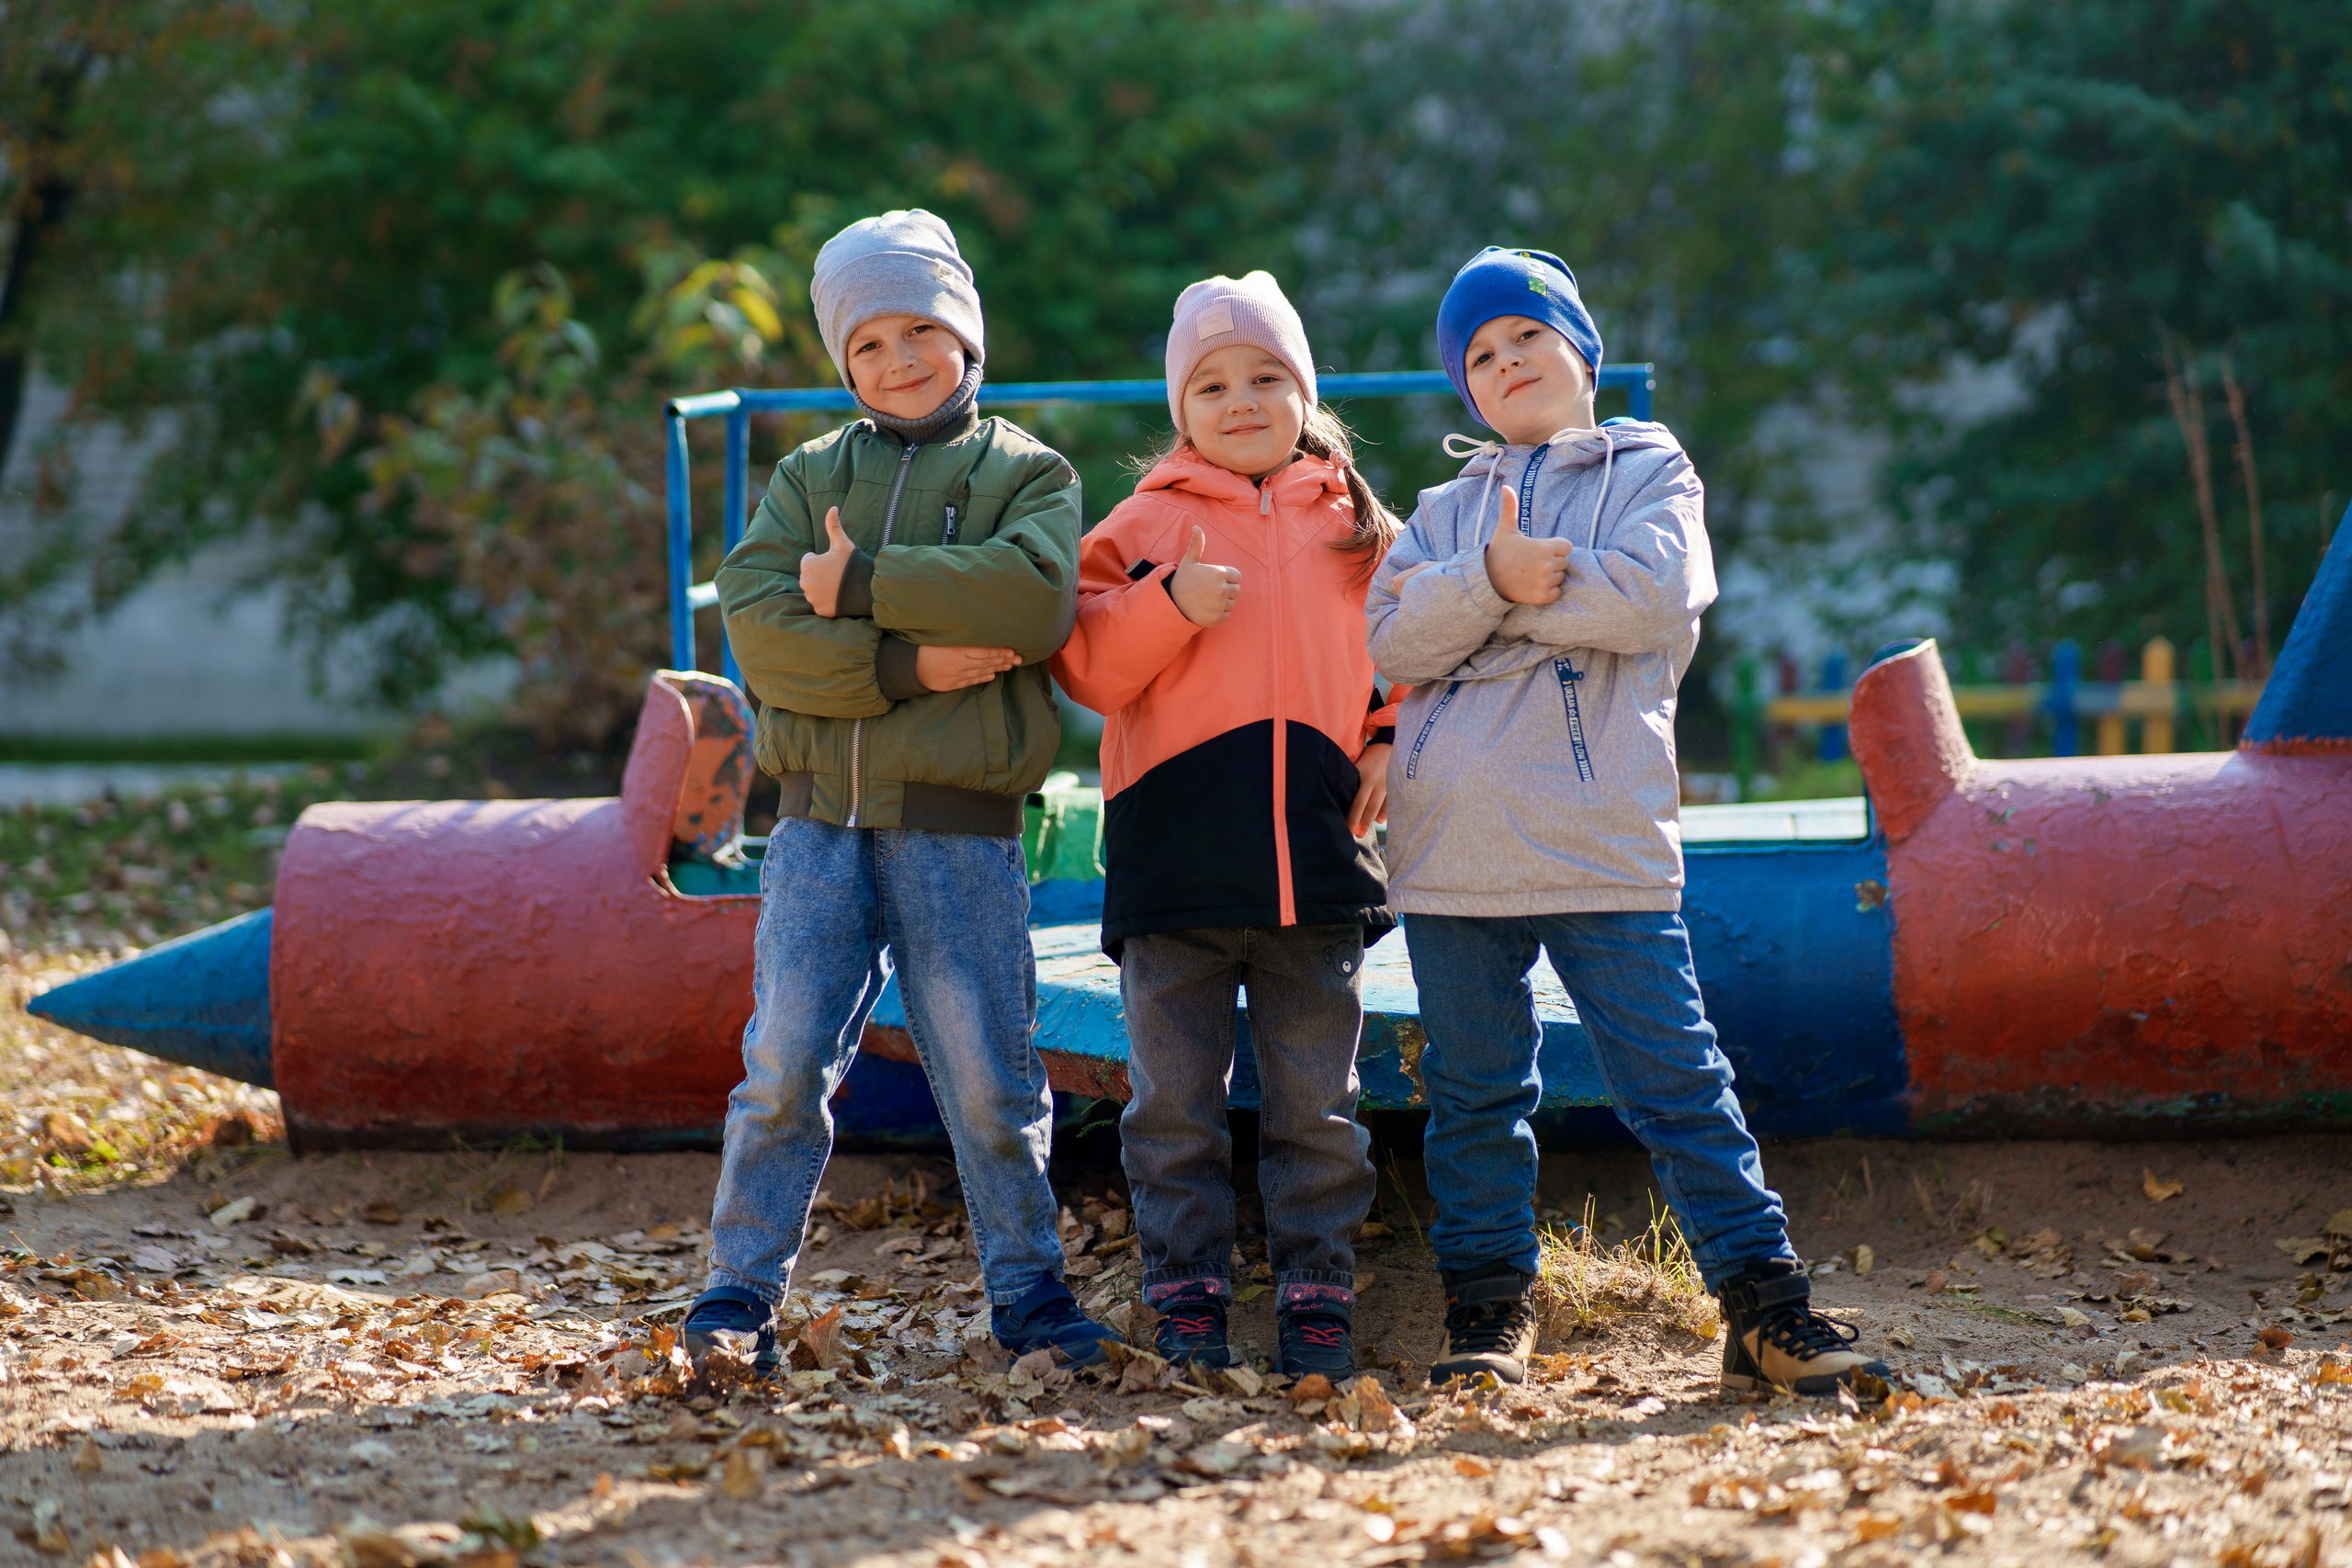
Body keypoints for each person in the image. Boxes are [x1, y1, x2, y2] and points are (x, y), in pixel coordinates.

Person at [1365, 246, 1888, 1395]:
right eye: (1480, 356)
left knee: (1673, 1080)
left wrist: (1487, 609)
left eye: (1526, 339)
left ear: (1581, 350)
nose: (1507, 364)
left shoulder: (1651, 466)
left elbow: (1653, 598)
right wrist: (1497, 576)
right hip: (1451, 853)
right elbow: (1393, 643)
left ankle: (1763, 1305)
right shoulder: (1447, 507)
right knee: (1476, 1094)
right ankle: (1489, 1309)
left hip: (1599, 839)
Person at [684, 209, 1116, 1373]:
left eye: (921, 328)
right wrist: (904, 663)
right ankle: (735, 1298)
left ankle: (1028, 1295)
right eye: (868, 344)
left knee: (987, 1081)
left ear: (966, 336)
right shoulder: (808, 475)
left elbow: (1031, 605)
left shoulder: (1029, 471)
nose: (899, 360)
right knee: (780, 1067)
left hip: (958, 834)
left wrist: (864, 581)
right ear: (843, 364)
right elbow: (761, 632)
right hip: (818, 830)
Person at [1050, 272, 1399, 1379]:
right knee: (1174, 1110)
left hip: (1318, 866)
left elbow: (1407, 651)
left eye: (1264, 377)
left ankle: (1316, 1291)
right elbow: (1087, 666)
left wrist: (1387, 737)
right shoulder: (1143, 522)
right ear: (1180, 406)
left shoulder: (1356, 522)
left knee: (1318, 1108)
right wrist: (1165, 607)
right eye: (1211, 383)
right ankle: (1186, 1287)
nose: (1240, 398)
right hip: (1175, 871)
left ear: (1303, 393)